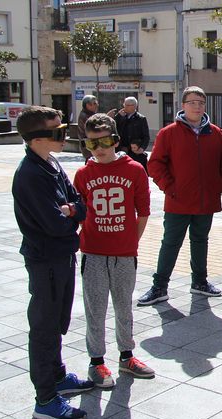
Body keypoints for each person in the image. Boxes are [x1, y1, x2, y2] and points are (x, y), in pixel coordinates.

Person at [13, 106, 93, 419]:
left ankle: (58, 376)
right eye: (58, 132)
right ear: (37, 138)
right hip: (45, 259)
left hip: (61, 256)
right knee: (45, 327)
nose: (64, 136)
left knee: (58, 320)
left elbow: (80, 206)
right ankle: (45, 398)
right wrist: (71, 215)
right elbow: (54, 224)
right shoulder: (30, 175)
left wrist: (71, 211)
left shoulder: (51, 163)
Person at [74, 113, 155, 388]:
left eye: (105, 141)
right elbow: (79, 211)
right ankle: (96, 362)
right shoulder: (84, 173)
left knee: (124, 307)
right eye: (92, 143)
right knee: (95, 309)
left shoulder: (134, 170)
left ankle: (126, 356)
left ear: (116, 140)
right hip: (93, 253)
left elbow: (143, 212)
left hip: (124, 254)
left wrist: (132, 242)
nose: (100, 148)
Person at [138, 86, 222, 306]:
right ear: (183, 105)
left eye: (201, 102)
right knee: (171, 243)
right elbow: (155, 164)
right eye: (193, 102)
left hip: (206, 201)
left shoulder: (215, 133)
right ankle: (159, 286)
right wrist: (170, 187)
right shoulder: (169, 132)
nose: (197, 106)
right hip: (178, 201)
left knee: (201, 241)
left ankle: (200, 281)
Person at [115, 96, 150, 174]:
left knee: (134, 172)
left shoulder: (141, 119)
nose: (125, 107)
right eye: (125, 105)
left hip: (134, 151)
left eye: (127, 105)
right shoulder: (120, 117)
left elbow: (146, 136)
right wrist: (118, 117)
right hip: (122, 150)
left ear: (134, 106)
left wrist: (142, 148)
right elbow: (114, 128)